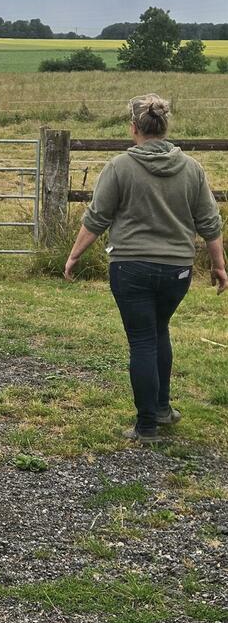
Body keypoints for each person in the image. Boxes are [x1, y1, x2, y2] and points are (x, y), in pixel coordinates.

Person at [64, 94, 227, 444]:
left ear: (133, 128)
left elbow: (97, 217)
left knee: (141, 340)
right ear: (165, 127)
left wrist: (74, 255)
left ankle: (147, 425)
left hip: (130, 267)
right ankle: (163, 408)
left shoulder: (120, 167)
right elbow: (210, 223)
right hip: (177, 270)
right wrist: (219, 265)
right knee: (159, 331)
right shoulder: (192, 168)